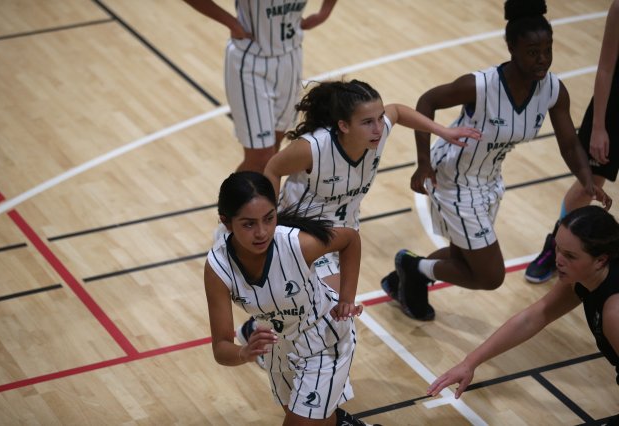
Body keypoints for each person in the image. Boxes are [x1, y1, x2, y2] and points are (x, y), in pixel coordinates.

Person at [380, 0, 612, 322]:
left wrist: (587, 181)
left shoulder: (553, 90)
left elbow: (570, 145)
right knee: (490, 275)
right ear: (512, 48)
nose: (542, 59)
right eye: (532, 51)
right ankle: (413, 268)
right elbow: (427, 101)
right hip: (453, 179)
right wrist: (423, 164)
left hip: (489, 178)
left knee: (465, 255)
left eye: (548, 50)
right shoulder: (480, 85)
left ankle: (404, 278)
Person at [236, 79, 480, 365]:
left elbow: (398, 111)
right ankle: (288, 358)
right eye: (367, 122)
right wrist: (269, 220)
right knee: (331, 309)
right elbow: (274, 167)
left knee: (310, 305)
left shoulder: (376, 134)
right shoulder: (313, 148)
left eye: (379, 119)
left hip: (344, 235)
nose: (378, 128)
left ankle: (257, 330)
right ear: (343, 125)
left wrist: (443, 131)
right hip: (302, 232)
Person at [204, 171, 377, 426]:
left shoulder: (297, 244)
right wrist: (244, 352)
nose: (262, 232)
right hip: (278, 346)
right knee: (315, 420)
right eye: (249, 224)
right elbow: (221, 348)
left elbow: (350, 239)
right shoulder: (217, 268)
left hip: (323, 339)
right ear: (226, 222)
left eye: (269, 218)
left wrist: (346, 299)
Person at [427, 205, 619, 424]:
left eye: (570, 256)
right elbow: (535, 317)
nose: (558, 260)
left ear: (601, 260)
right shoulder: (584, 279)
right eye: (557, 248)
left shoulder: (614, 311)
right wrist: (469, 363)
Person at [182, 0, 338, 173]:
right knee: (261, 158)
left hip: (291, 57)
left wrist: (324, 12)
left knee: (273, 152)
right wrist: (231, 22)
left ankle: (260, 192)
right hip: (251, 61)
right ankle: (234, 192)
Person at [525, 0, 619, 283]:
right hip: (614, 110)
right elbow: (605, 69)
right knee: (587, 185)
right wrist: (599, 126)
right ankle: (557, 245)